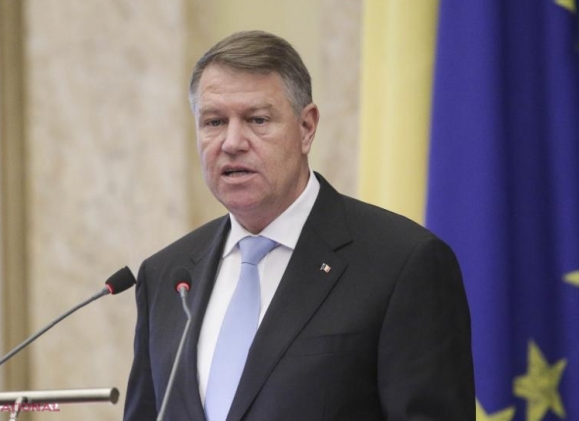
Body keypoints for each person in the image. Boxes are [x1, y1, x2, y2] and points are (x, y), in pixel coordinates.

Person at [123, 30, 475, 421]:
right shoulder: (167, 277)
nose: (232, 142)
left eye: (257, 120)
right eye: (214, 122)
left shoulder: (402, 264)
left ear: (306, 128)